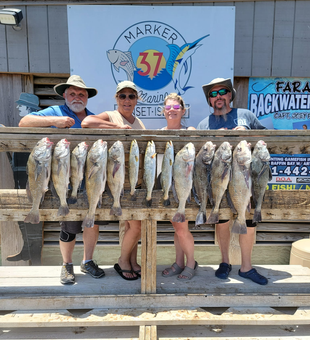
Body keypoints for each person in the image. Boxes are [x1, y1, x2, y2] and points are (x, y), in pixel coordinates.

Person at [19, 75, 105, 284]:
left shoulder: (92, 118)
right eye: (73, 93)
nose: (77, 97)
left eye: (81, 94)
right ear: (65, 95)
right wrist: (53, 122)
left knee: (92, 223)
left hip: (91, 180)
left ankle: (88, 261)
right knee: (69, 225)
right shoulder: (55, 112)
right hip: (63, 182)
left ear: (87, 98)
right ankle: (66, 264)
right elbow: (24, 122)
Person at [197, 77, 268, 285]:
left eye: (222, 92)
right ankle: (225, 262)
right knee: (222, 221)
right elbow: (202, 157)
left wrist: (250, 134)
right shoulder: (205, 123)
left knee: (249, 221)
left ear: (230, 95)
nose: (218, 97)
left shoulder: (246, 115)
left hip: (247, 178)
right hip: (219, 180)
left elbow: (266, 139)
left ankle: (246, 267)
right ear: (210, 100)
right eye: (213, 94)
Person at [82, 80, 145, 280]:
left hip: (137, 182)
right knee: (137, 227)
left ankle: (133, 262)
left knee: (131, 226)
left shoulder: (138, 121)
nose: (127, 100)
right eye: (122, 96)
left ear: (137, 99)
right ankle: (123, 261)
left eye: (131, 96)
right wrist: (116, 126)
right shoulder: (111, 115)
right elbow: (87, 122)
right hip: (119, 182)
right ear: (116, 98)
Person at [158, 93, 197, 280]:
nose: (171, 111)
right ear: (163, 111)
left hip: (184, 187)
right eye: (168, 108)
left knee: (182, 229)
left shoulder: (189, 130)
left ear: (183, 111)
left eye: (175, 108)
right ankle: (179, 263)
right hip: (167, 188)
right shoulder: (158, 133)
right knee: (178, 229)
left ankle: (191, 264)